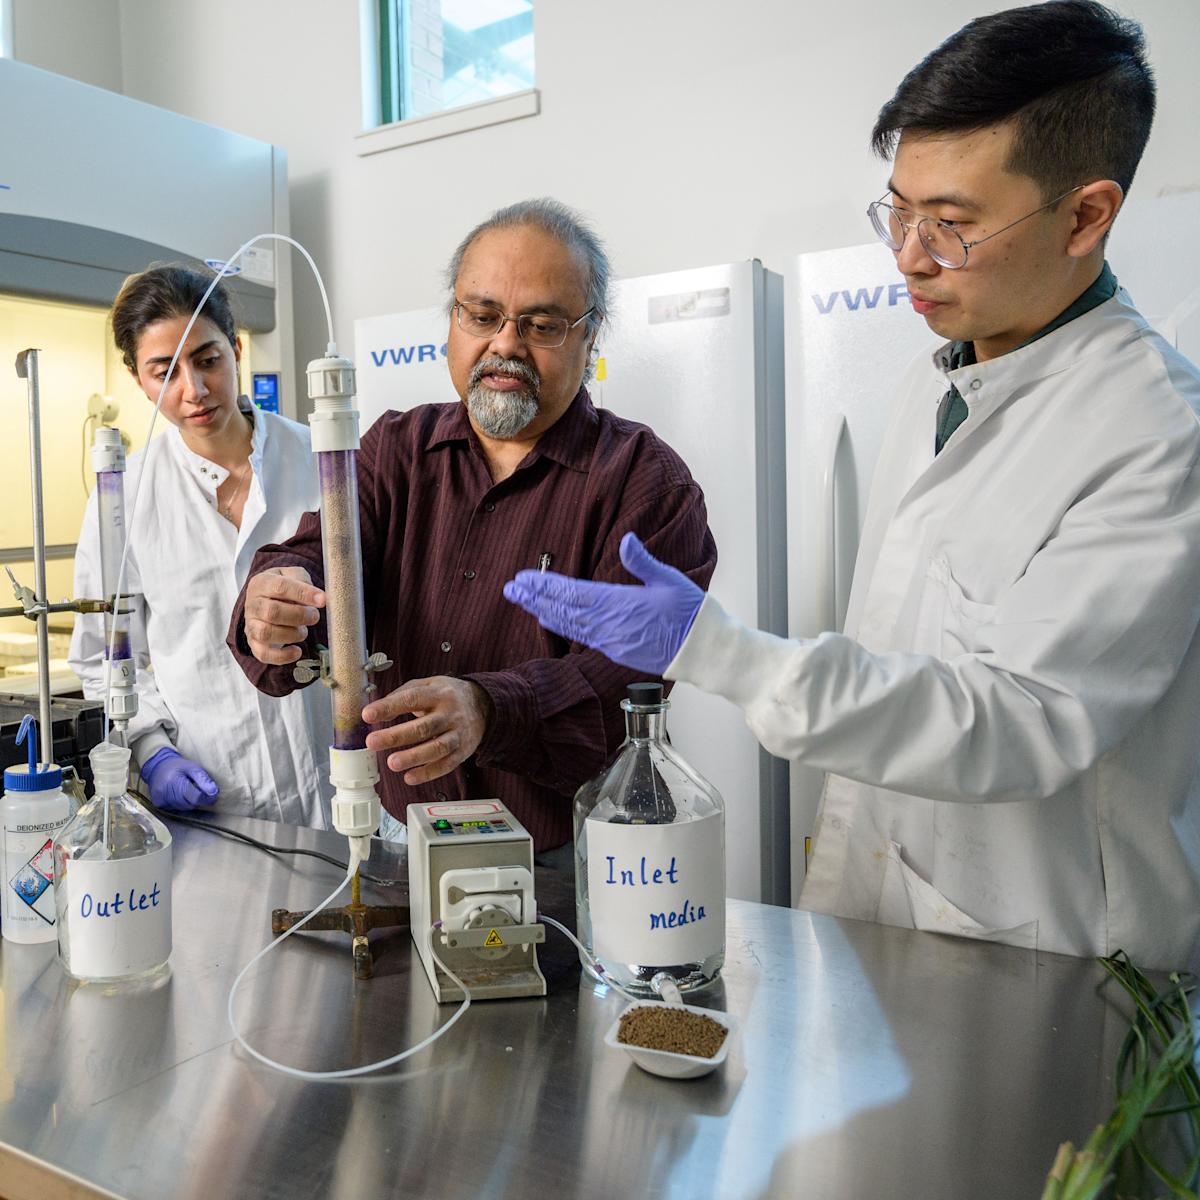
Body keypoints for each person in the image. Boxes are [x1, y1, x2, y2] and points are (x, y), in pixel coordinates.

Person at [505, 2, 1200, 970]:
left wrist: (732, 656)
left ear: (1087, 214)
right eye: (900, 210)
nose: (908, 254)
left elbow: (1018, 721)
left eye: (951, 223)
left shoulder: (1158, 432)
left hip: (1057, 954)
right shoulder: (936, 382)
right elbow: (905, 658)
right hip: (884, 905)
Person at [227, 198, 717, 852]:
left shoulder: (646, 485)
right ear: (453, 321)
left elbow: (627, 687)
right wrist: (278, 597)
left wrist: (488, 710)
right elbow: (321, 555)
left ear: (590, 335)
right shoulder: (394, 449)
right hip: (403, 838)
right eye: (483, 316)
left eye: (541, 324)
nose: (505, 344)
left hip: (573, 861)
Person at [69, 265, 334, 826]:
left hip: (343, 786)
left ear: (236, 348)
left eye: (208, 359)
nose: (193, 390)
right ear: (137, 379)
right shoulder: (125, 497)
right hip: (219, 801)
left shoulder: (322, 462)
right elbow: (103, 654)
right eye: (164, 372)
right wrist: (152, 751)